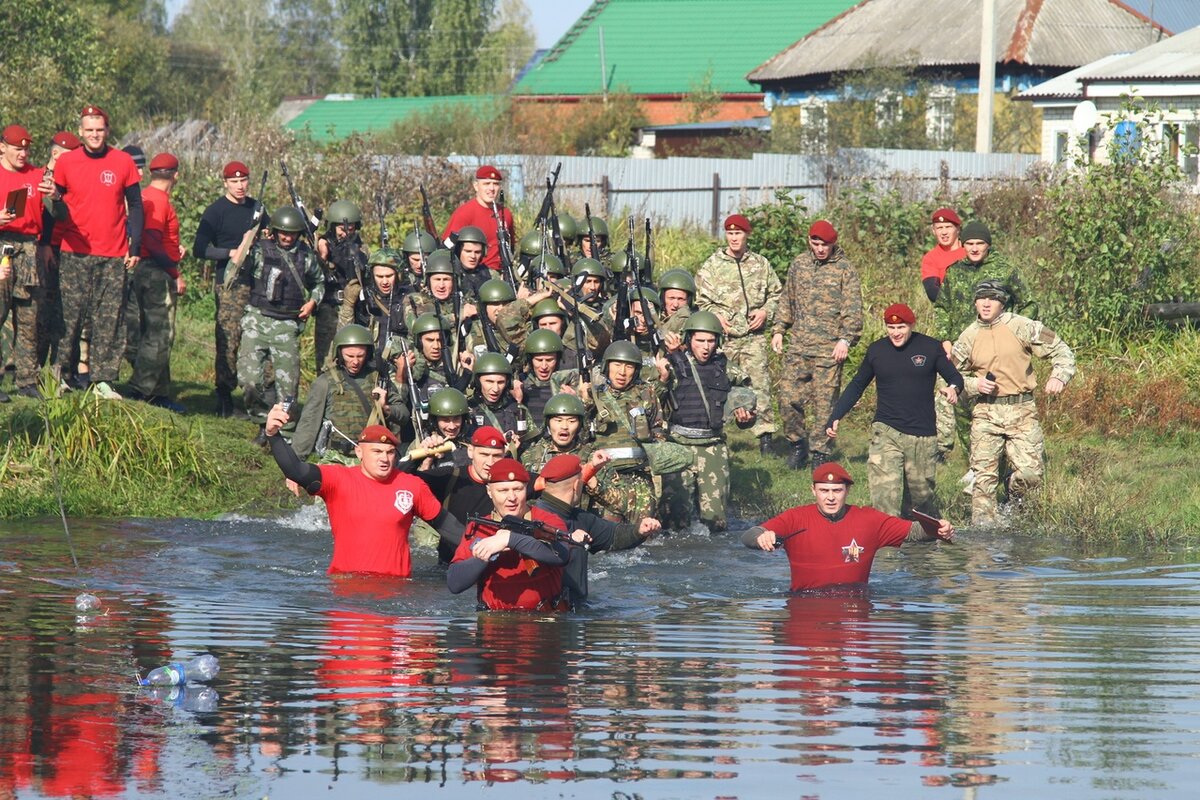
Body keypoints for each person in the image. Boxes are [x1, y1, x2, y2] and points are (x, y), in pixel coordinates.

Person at [264, 407, 447, 577]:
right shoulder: (338, 479)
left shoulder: (412, 485)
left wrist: (474, 547)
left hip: (397, 592)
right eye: (376, 451)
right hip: (346, 591)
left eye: (390, 452)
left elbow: (449, 527)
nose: (384, 458)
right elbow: (296, 471)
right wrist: (273, 435)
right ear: (359, 452)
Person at [951, 281, 1075, 525]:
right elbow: (949, 378)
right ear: (975, 302)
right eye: (981, 298)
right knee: (983, 479)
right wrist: (975, 385)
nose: (986, 303)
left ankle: (1013, 500)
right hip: (986, 412)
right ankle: (983, 536)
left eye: (992, 298)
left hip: (1022, 410)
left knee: (1031, 474)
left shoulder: (1022, 326)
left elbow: (1062, 351)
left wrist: (1058, 376)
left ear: (1002, 303)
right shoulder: (968, 336)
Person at [824, 303, 964, 518]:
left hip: (922, 435)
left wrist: (953, 389)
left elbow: (955, 378)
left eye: (901, 328)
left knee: (919, 504)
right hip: (886, 431)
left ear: (911, 325)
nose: (896, 333)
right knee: (884, 497)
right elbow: (857, 385)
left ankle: (919, 545)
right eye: (891, 327)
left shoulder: (930, 347)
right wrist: (836, 416)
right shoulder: (877, 350)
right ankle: (886, 548)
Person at [741, 462, 954, 592]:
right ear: (813, 491)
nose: (831, 498)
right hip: (803, 604)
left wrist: (937, 529)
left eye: (837, 491)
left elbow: (913, 532)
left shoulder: (869, 520)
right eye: (824, 491)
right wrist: (762, 537)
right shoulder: (795, 518)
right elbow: (749, 535)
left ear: (847, 491)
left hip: (857, 602)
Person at [51, 105, 143, 399]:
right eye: (89, 130)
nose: (94, 135)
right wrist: (51, 201)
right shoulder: (67, 162)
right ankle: (60, 376)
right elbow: (58, 209)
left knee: (109, 319)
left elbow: (137, 206)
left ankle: (103, 379)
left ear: (107, 131)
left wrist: (135, 244)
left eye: (99, 130)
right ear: (81, 131)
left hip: (113, 254)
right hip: (74, 252)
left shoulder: (123, 161)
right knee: (69, 316)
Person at [772, 219, 862, 470]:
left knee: (825, 405)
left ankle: (820, 453)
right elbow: (786, 299)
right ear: (809, 241)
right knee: (787, 398)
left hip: (829, 350)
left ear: (834, 243)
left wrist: (846, 339)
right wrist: (779, 329)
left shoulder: (845, 269)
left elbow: (853, 309)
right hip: (799, 346)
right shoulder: (799, 264)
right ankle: (797, 444)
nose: (820, 248)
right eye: (816, 243)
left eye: (825, 244)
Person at [657, 311, 756, 532]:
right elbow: (652, 403)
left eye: (711, 341)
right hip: (677, 446)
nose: (705, 346)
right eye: (700, 340)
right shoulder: (672, 365)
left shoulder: (725, 368)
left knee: (716, 521)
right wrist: (662, 379)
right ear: (688, 339)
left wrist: (746, 418)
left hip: (712, 446)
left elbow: (747, 400)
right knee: (674, 521)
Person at [695, 214, 780, 454]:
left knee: (760, 387)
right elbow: (701, 300)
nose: (734, 238)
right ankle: (713, 435)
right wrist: (715, 317)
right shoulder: (713, 265)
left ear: (746, 235)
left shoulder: (761, 264)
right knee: (718, 386)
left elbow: (777, 295)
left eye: (738, 233)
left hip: (753, 339)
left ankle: (765, 439)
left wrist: (765, 312)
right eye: (730, 233)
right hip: (724, 339)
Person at [446, 457, 577, 611]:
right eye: (503, 491)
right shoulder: (479, 527)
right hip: (495, 625)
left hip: (546, 622)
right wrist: (486, 555)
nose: (512, 498)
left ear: (527, 488)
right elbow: (454, 583)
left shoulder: (547, 521)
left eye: (518, 489)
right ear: (489, 492)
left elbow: (560, 555)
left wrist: (510, 539)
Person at [236, 206, 324, 430]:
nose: (287, 237)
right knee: (249, 381)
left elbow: (319, 282)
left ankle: (284, 432)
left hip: (286, 325)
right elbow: (236, 269)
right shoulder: (258, 251)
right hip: (257, 320)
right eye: (282, 232)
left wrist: (313, 301)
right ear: (274, 231)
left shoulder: (305, 256)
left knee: (288, 386)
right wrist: (247, 240)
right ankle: (262, 421)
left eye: (292, 233)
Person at [193, 160, 265, 418]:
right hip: (230, 284)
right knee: (228, 338)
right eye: (234, 181)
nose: (239, 186)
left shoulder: (257, 208)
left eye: (243, 180)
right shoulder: (216, 211)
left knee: (256, 339)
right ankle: (224, 396)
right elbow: (199, 249)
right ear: (225, 182)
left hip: (257, 284)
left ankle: (257, 397)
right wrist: (230, 252)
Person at [291, 324, 405, 461]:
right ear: (339, 353)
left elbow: (403, 414)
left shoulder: (378, 380)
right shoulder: (324, 383)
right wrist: (296, 464)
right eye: (349, 356)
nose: (355, 361)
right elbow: (309, 424)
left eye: (360, 356)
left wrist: (386, 408)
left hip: (372, 458)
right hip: (336, 457)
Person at [126, 153, 186, 412]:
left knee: (151, 331)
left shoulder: (145, 196)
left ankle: (159, 391)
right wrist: (175, 272)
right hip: (156, 271)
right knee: (160, 333)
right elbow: (151, 241)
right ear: (176, 175)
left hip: (141, 269)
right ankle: (141, 389)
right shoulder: (159, 201)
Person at [0, 124, 56, 400]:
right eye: (16, 148)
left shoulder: (36, 174)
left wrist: (55, 195)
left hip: (29, 247)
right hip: (1, 244)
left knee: (29, 315)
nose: (22, 153)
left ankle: (26, 380)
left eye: (26, 148)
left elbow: (60, 214)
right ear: (2, 147)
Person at [315, 199, 369, 372]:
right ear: (332, 227)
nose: (346, 233)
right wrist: (323, 256)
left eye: (350, 229)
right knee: (326, 361)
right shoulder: (322, 246)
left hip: (355, 308)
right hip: (330, 310)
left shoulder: (362, 249)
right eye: (341, 228)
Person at [442, 165, 514, 274]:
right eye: (486, 184)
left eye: (495, 184)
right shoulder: (464, 214)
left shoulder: (506, 214)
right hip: (475, 275)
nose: (491, 188)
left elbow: (511, 246)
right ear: (476, 186)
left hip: (503, 274)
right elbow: (446, 250)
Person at [920, 207, 965, 303]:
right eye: (939, 228)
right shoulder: (931, 258)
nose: (944, 232)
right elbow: (932, 292)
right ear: (933, 231)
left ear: (957, 229)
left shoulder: (972, 250)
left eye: (948, 227)